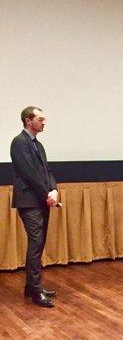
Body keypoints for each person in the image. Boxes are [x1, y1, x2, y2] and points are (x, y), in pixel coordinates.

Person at [10, 106, 59, 307]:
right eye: (40, 119)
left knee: (38, 244)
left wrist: (54, 189)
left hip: (41, 199)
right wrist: (46, 193)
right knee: (36, 242)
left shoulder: (39, 145)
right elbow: (28, 173)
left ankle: (32, 286)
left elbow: (47, 171)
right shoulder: (19, 142)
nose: (44, 122)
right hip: (29, 200)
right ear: (28, 121)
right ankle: (36, 290)